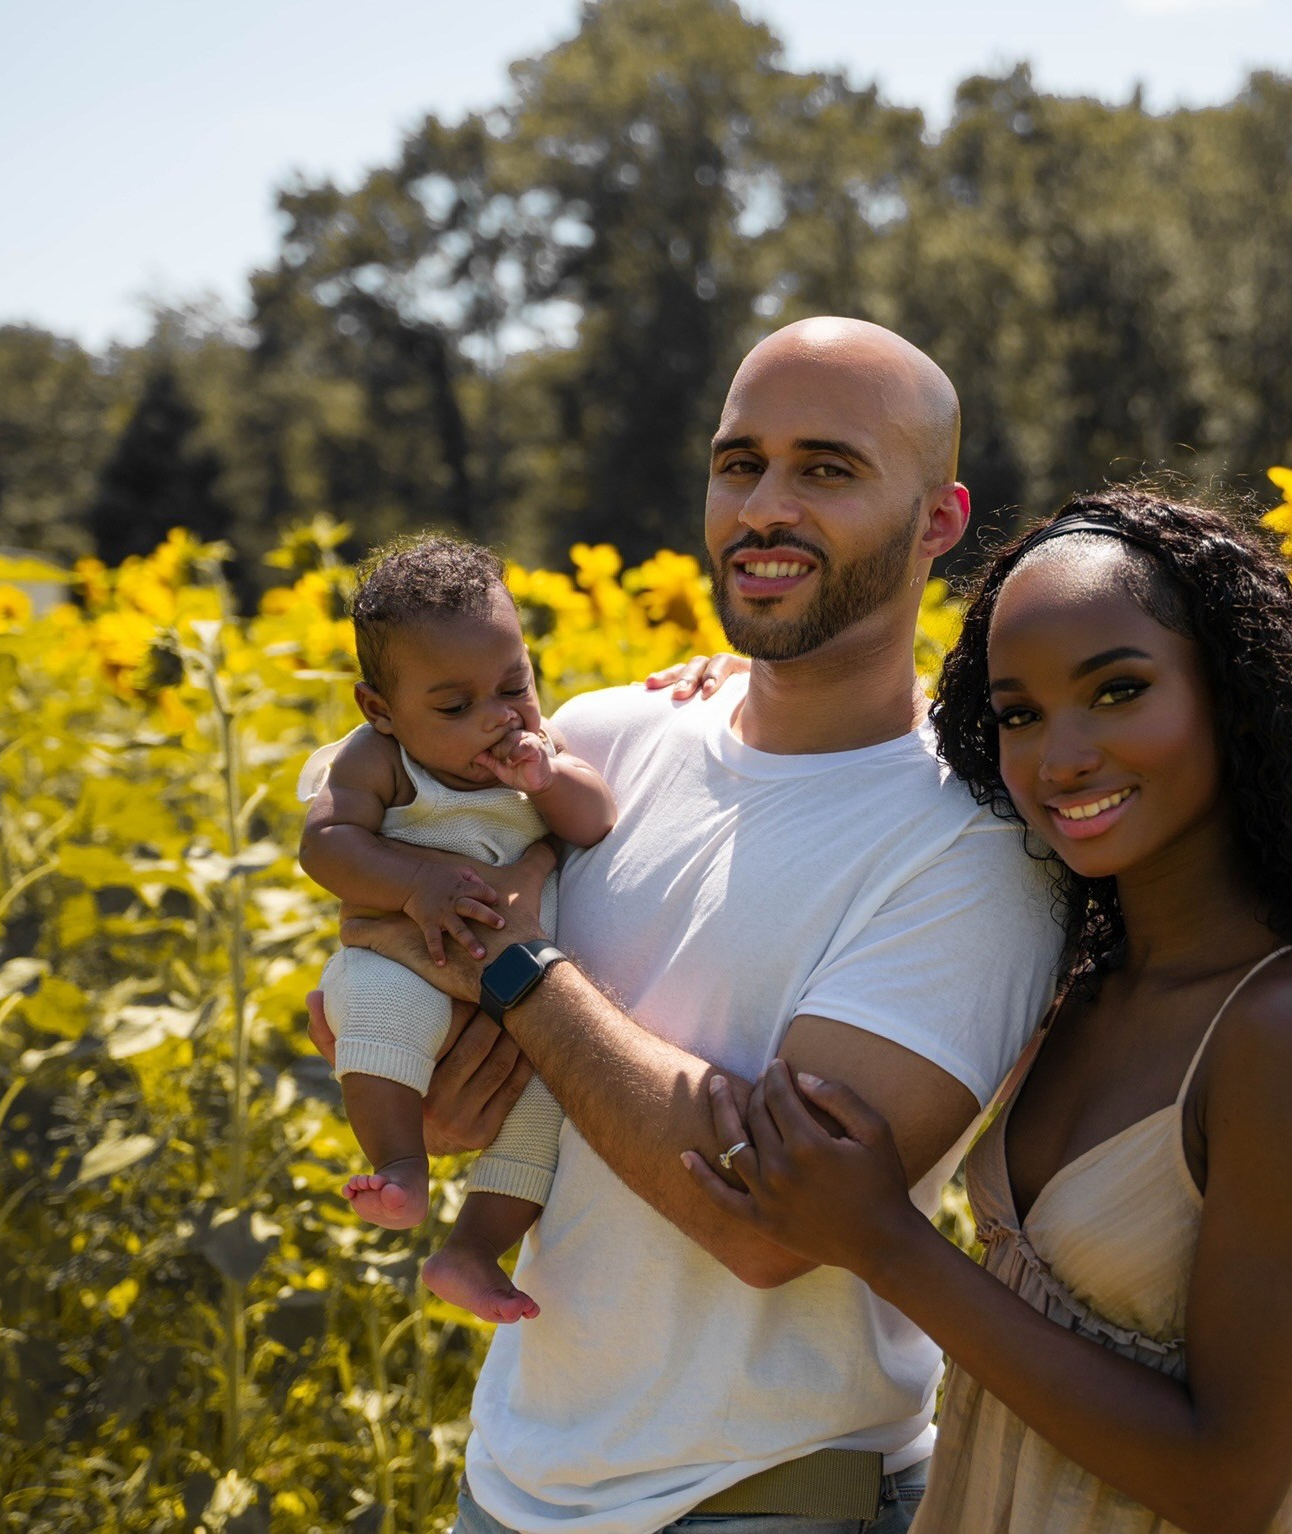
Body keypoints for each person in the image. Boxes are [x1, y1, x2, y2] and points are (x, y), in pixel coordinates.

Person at [305, 317, 1067, 1534]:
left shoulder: (974, 845)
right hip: (511, 1482)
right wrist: (437, 1093)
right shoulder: (597, 740)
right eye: (738, 462)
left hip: (766, 1496)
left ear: (939, 519)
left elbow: (765, 1221)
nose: (763, 505)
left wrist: (511, 973)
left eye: (827, 467)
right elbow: (393, 973)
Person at [679, 488, 1292, 1533]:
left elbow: (1227, 1481)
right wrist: (742, 691)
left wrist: (890, 1245)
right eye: (1019, 713)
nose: (1061, 755)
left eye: (1119, 690)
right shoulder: (1080, 972)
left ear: (1234, 694)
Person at [296, 534, 618, 1323]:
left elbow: (596, 818)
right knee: (379, 1007)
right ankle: (403, 1166)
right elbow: (323, 843)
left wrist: (547, 781)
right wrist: (415, 881)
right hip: (407, 963)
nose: (497, 719)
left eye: (515, 685)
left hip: (528, 1000)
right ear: (382, 709)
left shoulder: (541, 757)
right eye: (454, 706)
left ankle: (473, 1248)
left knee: (553, 1103)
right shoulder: (379, 763)